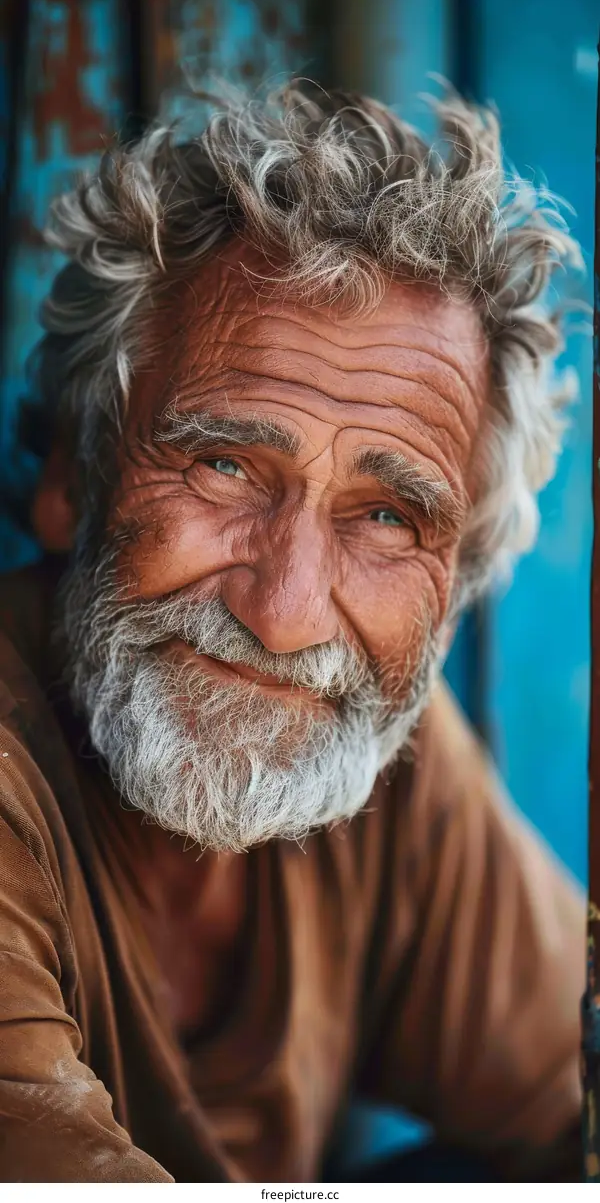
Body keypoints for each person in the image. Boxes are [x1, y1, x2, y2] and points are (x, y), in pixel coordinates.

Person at [0, 82, 585, 1183]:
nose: (285, 611)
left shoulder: (378, 749)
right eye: (223, 463)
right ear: (69, 481)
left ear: (451, 596)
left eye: (385, 518)